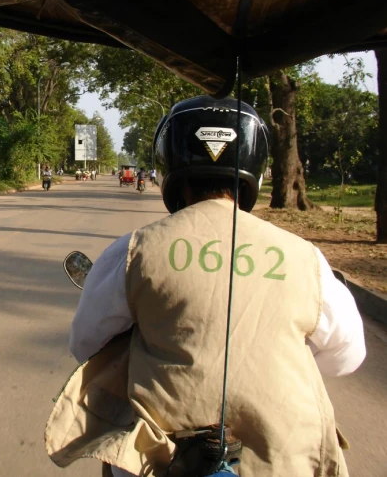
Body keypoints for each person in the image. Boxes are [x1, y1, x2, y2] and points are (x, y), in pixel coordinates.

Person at [46, 96, 365, 477]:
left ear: (170, 165)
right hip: (284, 461)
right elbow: (347, 357)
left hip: (159, 460)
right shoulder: (305, 258)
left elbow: (85, 343)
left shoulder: (134, 250)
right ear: (256, 169)